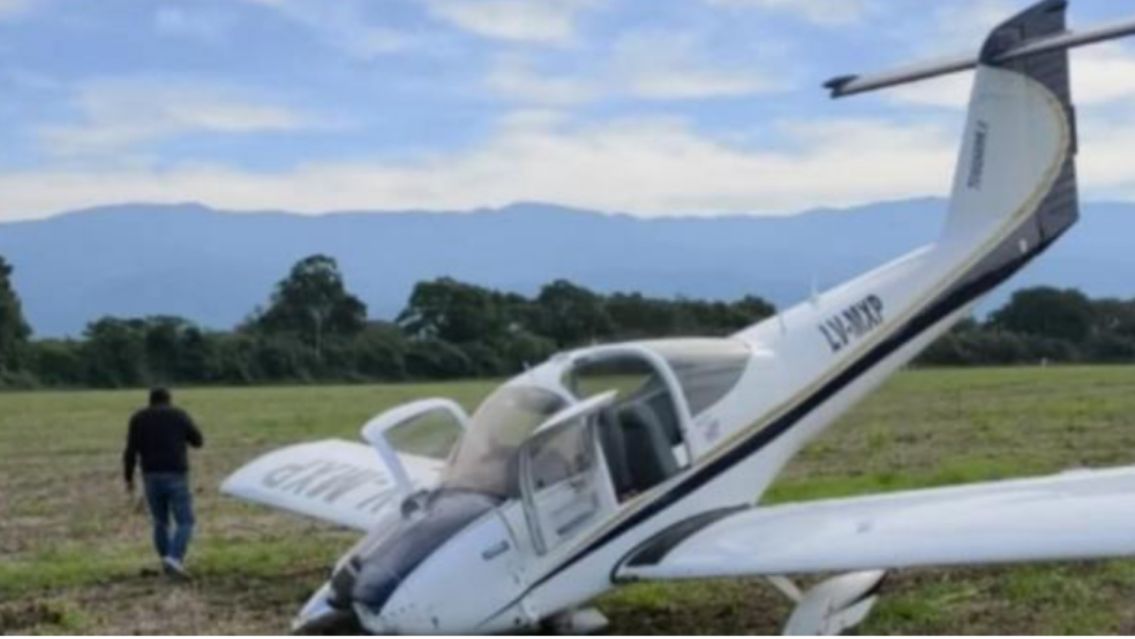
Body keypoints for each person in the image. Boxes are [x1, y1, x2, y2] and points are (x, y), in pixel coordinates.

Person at [123, 387, 204, 579]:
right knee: (185, 521)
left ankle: (166, 560)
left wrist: (128, 478)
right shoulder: (178, 415)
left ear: (150, 400)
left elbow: (130, 451)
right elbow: (198, 441)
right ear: (169, 400)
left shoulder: (138, 418)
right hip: (176, 473)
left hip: (150, 475)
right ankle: (174, 558)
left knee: (160, 522)